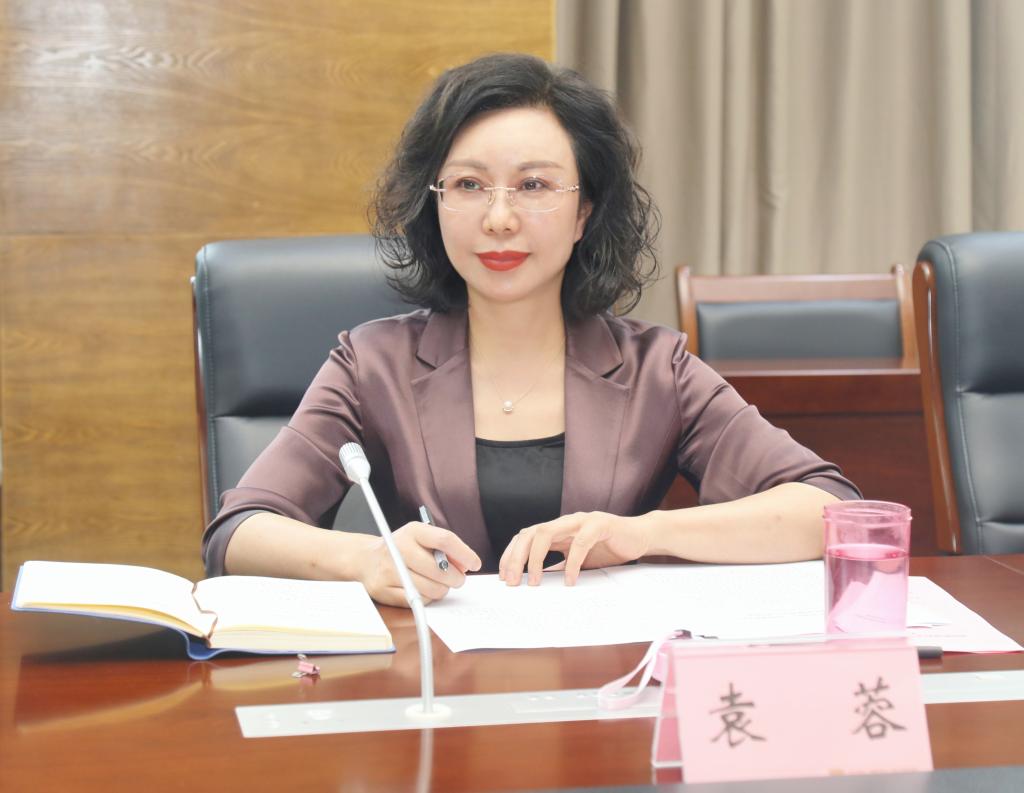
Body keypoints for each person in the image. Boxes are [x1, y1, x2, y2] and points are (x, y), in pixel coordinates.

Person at [202, 53, 860, 608]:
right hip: (433, 687)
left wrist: (644, 534)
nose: (499, 218)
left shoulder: (654, 368)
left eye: (534, 185)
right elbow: (238, 532)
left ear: (584, 213)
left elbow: (829, 509)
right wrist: (369, 559)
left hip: (601, 682)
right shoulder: (373, 363)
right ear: (436, 206)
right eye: (469, 185)